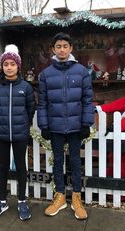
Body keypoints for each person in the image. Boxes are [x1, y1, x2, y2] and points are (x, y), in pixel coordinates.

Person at [37, 32, 94, 220]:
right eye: (58, 46)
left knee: (76, 161)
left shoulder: (81, 71)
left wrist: (86, 123)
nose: (62, 49)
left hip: (76, 126)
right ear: (53, 49)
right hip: (55, 126)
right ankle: (60, 196)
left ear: (71, 48)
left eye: (65, 46)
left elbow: (87, 99)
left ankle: (77, 198)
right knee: (58, 161)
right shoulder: (45, 74)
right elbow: (43, 102)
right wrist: (44, 125)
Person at [0, 44, 35, 221]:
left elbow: (31, 109)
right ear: (2, 66)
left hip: (20, 134)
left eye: (12, 64)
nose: (9, 67)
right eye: (5, 64)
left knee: (21, 167)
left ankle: (22, 201)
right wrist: (0, 121)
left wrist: (22, 123)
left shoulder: (26, 87)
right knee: (3, 168)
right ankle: (2, 201)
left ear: (18, 66)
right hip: (1, 134)